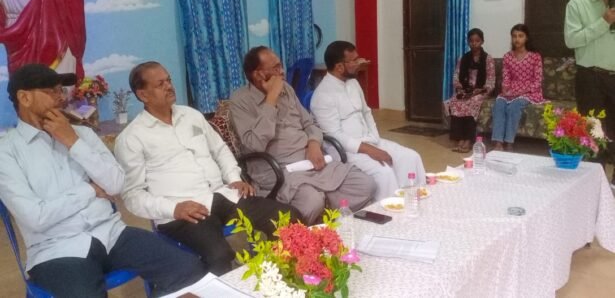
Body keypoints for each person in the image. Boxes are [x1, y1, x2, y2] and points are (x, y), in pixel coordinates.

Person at [0, 64, 206, 298]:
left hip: (111, 233)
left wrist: (73, 142)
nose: (61, 98)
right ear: (25, 98)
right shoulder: (6, 152)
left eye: (61, 90)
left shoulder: (83, 134)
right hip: (56, 250)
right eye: (52, 92)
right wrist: (90, 190)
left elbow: (116, 184)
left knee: (189, 269)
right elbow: (35, 217)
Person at [114, 62, 301, 275]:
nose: (169, 86)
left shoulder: (191, 115)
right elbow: (132, 195)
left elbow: (219, 149)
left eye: (169, 80)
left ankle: (281, 278)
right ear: (143, 95)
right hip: (183, 212)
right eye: (160, 84)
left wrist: (234, 177)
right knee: (219, 256)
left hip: (221, 196)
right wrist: (173, 208)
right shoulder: (132, 138)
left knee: (288, 218)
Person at [230, 47, 376, 225]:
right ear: (258, 74)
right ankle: (308, 229)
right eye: (276, 68)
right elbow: (254, 145)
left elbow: (310, 123)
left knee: (365, 184)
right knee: (312, 202)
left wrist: (313, 144)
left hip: (309, 161)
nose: (282, 71)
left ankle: (327, 222)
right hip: (279, 169)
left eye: (281, 65)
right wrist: (271, 99)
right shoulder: (240, 101)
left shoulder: (287, 89)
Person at [311, 41, 426, 201]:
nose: (359, 63)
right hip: (345, 151)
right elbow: (335, 135)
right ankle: (389, 211)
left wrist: (375, 138)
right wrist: (369, 150)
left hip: (370, 140)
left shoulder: (353, 82)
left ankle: (413, 203)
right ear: (339, 67)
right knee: (384, 172)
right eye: (354, 60)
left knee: (410, 157)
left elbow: (366, 112)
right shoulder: (322, 95)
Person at [565, 0, 615, 186]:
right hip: (591, 78)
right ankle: (595, 185)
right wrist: (604, 22)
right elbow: (571, 39)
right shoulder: (577, 5)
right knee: (594, 134)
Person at [491, 24, 545, 151]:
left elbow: (537, 80)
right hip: (512, 90)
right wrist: (505, 89)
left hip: (530, 91)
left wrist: (522, 91)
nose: (517, 39)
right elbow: (506, 77)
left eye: (520, 36)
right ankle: (498, 142)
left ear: (526, 38)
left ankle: (509, 142)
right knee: (499, 103)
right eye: (514, 36)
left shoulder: (535, 56)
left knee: (514, 106)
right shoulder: (507, 56)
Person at [444, 29, 496, 153]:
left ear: (482, 41)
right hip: (465, 90)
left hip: (481, 91)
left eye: (477, 41)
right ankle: (459, 138)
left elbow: (491, 81)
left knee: (471, 102)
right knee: (456, 101)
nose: (474, 43)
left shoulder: (488, 59)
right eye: (471, 41)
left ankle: (468, 140)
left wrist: (479, 91)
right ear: (468, 42)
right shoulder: (463, 58)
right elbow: (456, 76)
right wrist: (460, 88)